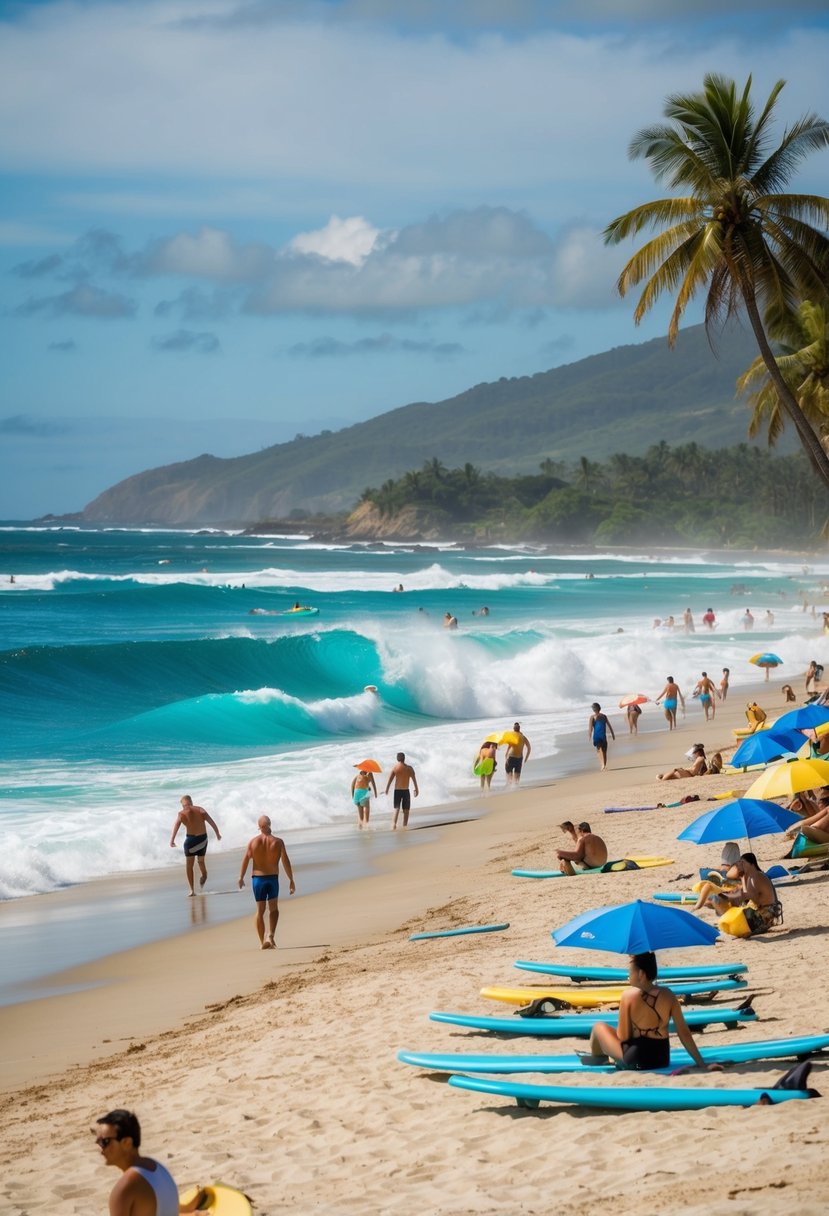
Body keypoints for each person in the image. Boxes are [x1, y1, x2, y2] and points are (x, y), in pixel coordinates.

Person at [585, 953, 722, 1071]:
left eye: (630, 970)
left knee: (599, 1027)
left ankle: (598, 1057)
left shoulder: (628, 996)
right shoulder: (669, 995)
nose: (628, 974)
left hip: (636, 1062)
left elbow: (623, 1037)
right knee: (608, 1032)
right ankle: (602, 1057)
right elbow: (684, 1033)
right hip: (661, 1059)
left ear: (641, 974)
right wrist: (702, 1064)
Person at [93, 1108, 179, 1216]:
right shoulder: (156, 1166)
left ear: (127, 1143)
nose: (101, 1149)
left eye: (105, 1142)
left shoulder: (124, 1189)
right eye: (98, 1142)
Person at [238, 814, 295, 949]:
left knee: (260, 911)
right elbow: (285, 861)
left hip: (258, 880)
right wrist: (291, 879)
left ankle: (261, 942)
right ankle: (271, 935)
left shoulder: (253, 842)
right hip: (272, 879)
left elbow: (245, 860)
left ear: (259, 827)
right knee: (274, 909)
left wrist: (240, 877)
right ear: (270, 824)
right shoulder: (278, 842)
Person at [698, 852, 779, 934]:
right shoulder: (758, 875)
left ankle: (724, 922)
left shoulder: (754, 878)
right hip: (769, 916)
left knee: (721, 901)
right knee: (720, 900)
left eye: (743, 863)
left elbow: (742, 896)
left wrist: (723, 897)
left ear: (751, 864)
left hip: (762, 921)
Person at [169, 795, 221, 896]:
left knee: (189, 866)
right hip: (202, 840)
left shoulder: (181, 814)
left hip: (191, 842)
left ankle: (192, 890)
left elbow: (176, 825)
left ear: (183, 805)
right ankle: (204, 875)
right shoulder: (201, 810)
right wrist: (217, 833)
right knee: (201, 861)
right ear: (191, 802)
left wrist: (172, 840)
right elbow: (211, 822)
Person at [385, 751, 419, 829]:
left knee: (396, 808)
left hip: (397, 791)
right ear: (404, 758)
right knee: (406, 810)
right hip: (405, 791)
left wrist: (387, 789)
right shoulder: (409, 768)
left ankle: (393, 825)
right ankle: (404, 826)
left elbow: (390, 780)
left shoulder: (395, 768)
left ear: (397, 759)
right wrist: (416, 789)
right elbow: (414, 779)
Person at [588, 702, 615, 771]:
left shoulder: (592, 717)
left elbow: (590, 728)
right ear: (599, 708)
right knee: (604, 751)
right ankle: (604, 765)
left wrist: (589, 736)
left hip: (596, 736)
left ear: (593, 709)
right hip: (603, 735)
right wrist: (612, 734)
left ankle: (602, 765)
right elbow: (609, 725)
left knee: (599, 750)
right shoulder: (604, 716)